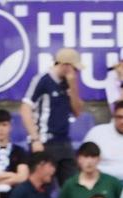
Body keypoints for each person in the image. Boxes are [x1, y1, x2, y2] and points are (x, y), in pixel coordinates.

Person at [21, 49, 84, 183]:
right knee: (43, 183)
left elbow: (77, 111)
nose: (76, 73)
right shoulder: (42, 80)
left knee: (71, 182)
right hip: (45, 140)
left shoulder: (68, 82)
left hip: (64, 141)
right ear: (65, 65)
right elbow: (25, 109)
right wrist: (35, 139)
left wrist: (73, 85)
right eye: (74, 69)